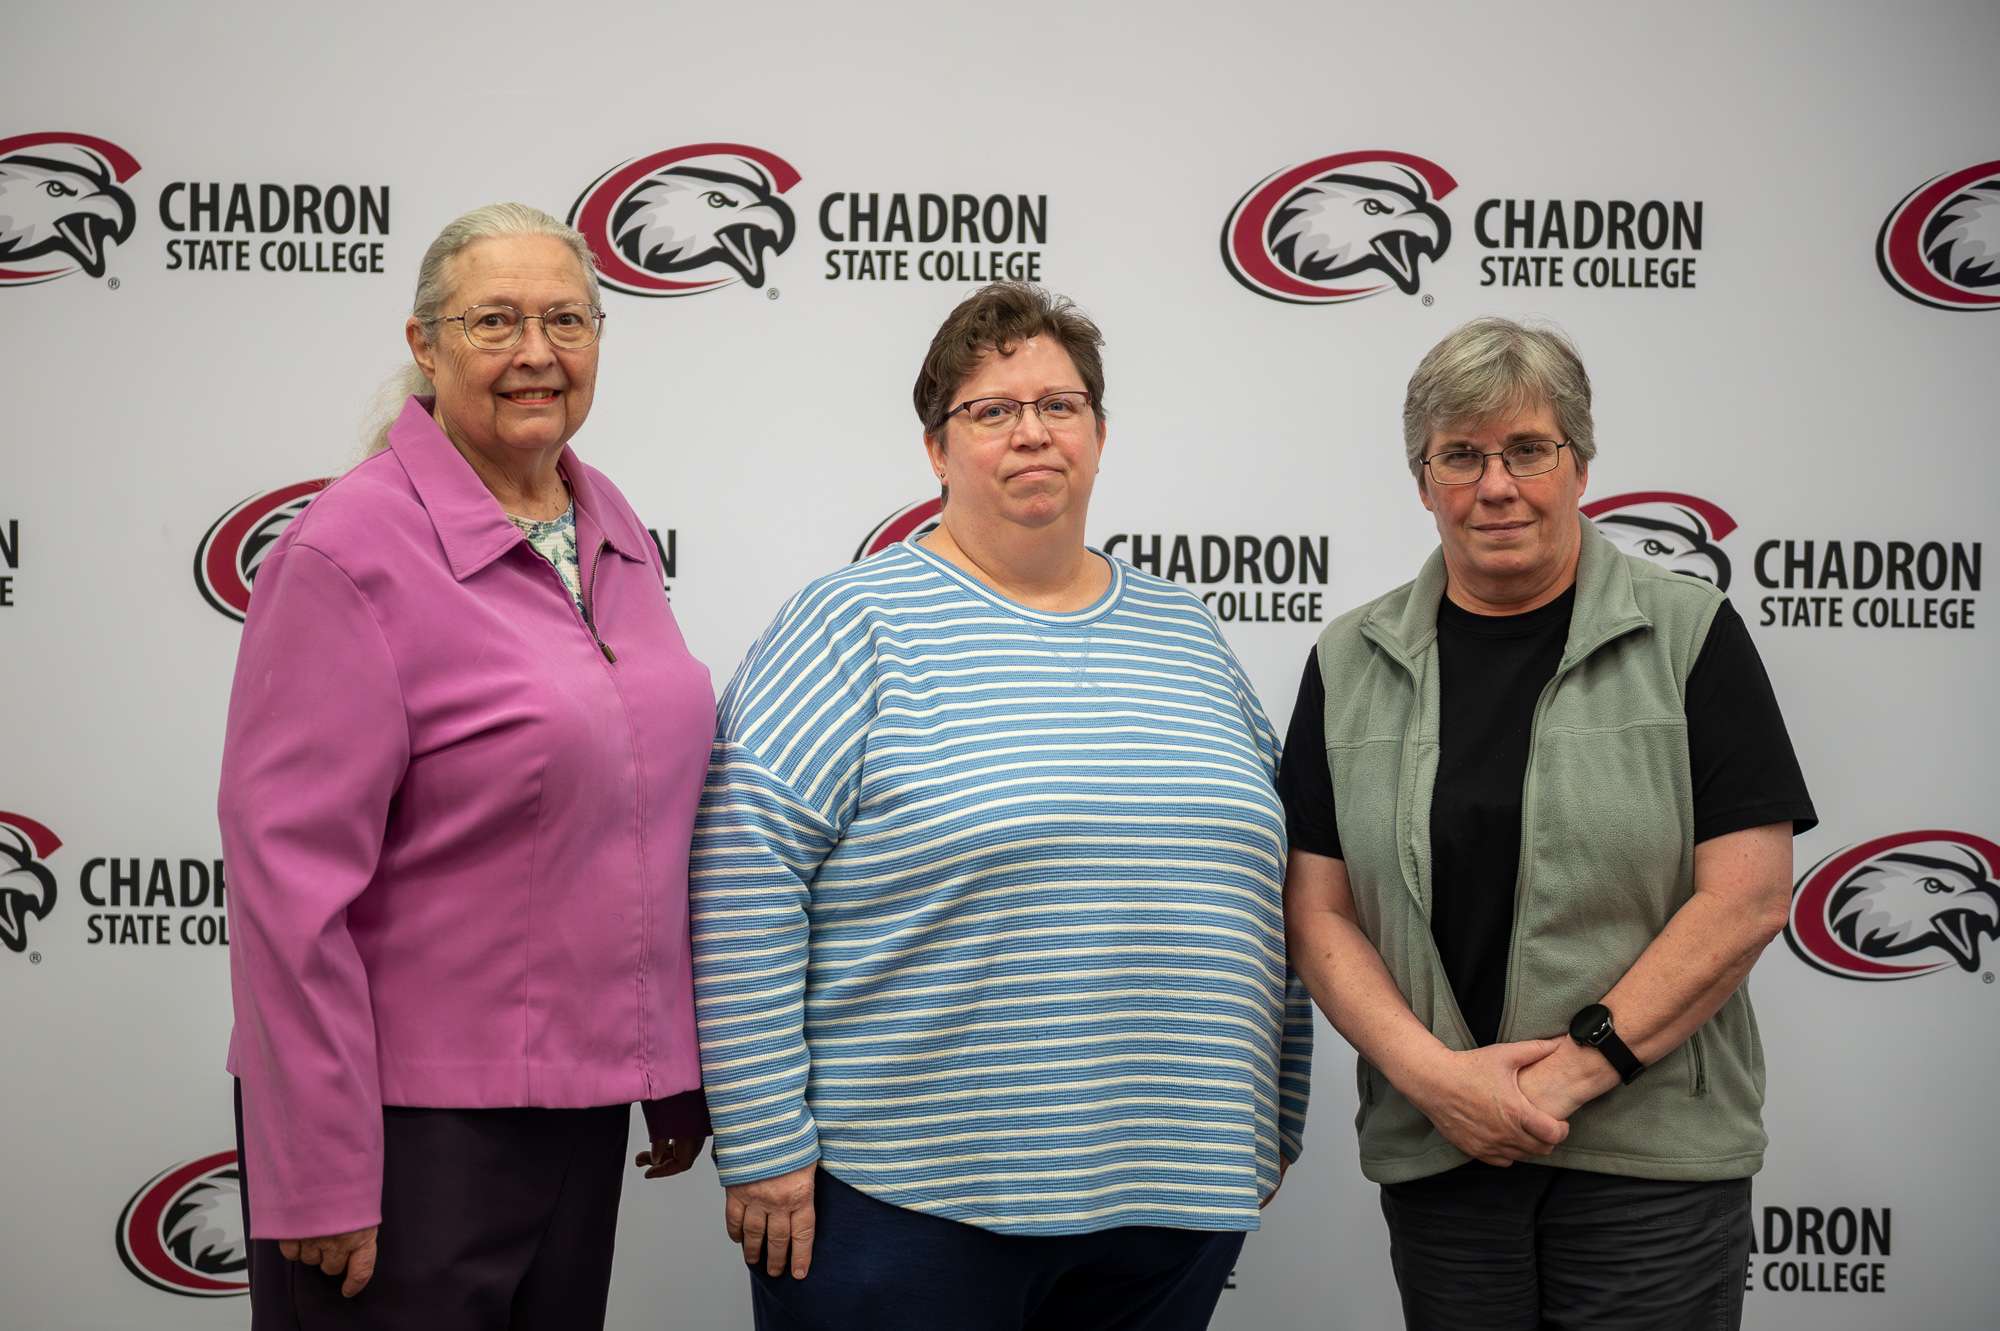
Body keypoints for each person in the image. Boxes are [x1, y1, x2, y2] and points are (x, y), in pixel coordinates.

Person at [689, 282, 1313, 1330]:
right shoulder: (851, 625)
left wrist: (1270, 1119)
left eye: (1059, 405)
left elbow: (1267, 885)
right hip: (906, 1203)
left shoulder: (1186, 634)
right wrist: (760, 1140)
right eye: (991, 409)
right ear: (936, 450)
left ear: (1100, 435)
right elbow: (739, 883)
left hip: (1171, 1199)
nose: (1031, 431)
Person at [220, 202, 714, 1330]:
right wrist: (319, 1164)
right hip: (403, 1137)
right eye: (494, 320)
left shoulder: (605, 518)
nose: (536, 352)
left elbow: (630, 810)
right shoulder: (345, 552)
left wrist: (668, 1064)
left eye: (565, 319)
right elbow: (288, 894)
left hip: (577, 1111)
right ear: (423, 346)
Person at [1279, 317, 1817, 1330]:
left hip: (1646, 1159)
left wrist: (1564, 1077)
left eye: (1527, 449)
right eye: (1460, 455)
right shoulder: (1349, 659)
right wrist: (1441, 1082)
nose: (1495, 485)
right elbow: (1317, 912)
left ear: (1576, 463)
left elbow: (1744, 898)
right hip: (1443, 1151)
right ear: (1421, 476)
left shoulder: (1687, 635)